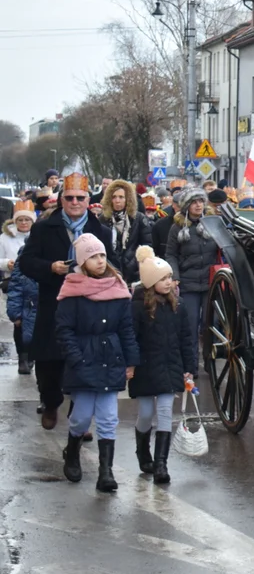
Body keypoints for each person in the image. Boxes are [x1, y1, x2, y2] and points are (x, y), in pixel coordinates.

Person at [18, 173, 118, 430]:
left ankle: (79, 417)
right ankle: (51, 403)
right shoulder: (44, 227)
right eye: (70, 197)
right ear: (61, 200)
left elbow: (113, 265)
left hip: (89, 305)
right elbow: (26, 262)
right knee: (49, 361)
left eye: (80, 198)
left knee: (85, 360)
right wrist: (50, 267)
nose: (75, 202)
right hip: (54, 302)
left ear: (88, 200)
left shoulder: (100, 230)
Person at [55, 234, 138, 491]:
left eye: (102, 255)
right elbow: (64, 330)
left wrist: (131, 361)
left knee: (108, 417)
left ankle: (106, 472)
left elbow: (127, 329)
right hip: (84, 359)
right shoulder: (72, 292)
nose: (100, 261)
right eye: (93, 257)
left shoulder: (118, 288)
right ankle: (72, 451)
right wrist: (76, 358)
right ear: (82, 261)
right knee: (80, 417)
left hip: (110, 358)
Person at [129, 246, 195, 484]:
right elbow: (131, 337)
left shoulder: (178, 305)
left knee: (166, 412)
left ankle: (161, 464)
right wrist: (130, 364)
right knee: (146, 413)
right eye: (163, 279)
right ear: (149, 282)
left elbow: (186, 338)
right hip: (146, 368)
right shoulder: (137, 306)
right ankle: (143, 450)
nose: (169, 282)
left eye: (169, 277)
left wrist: (190, 367)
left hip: (170, 366)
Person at [164, 187, 219, 362]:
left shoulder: (213, 223)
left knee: (209, 323)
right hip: (188, 283)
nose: (198, 205)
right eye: (194, 202)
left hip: (211, 281)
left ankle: (209, 359)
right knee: (190, 323)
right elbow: (171, 254)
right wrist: (175, 276)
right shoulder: (177, 227)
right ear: (187, 205)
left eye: (201, 201)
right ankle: (191, 364)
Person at [1, 203, 34, 373]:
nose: (23, 223)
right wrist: (8, 264)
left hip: (34, 285)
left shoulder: (38, 236)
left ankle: (32, 355)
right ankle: (23, 356)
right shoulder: (5, 238)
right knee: (20, 321)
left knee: (34, 321)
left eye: (27, 219)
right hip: (14, 282)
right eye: (20, 219)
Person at [100, 179, 153, 284]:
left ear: (128, 199)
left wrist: (134, 264)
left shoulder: (139, 218)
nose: (117, 200)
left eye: (121, 197)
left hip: (134, 273)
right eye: (114, 197)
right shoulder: (103, 219)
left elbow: (147, 246)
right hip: (109, 272)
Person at [5, 251, 37, 376]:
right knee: (21, 330)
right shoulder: (26, 253)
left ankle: (33, 357)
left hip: (43, 304)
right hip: (27, 304)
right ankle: (23, 357)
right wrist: (15, 313)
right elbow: (16, 285)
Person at [152, 184, 184, 257]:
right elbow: (154, 249)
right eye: (179, 206)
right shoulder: (160, 225)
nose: (182, 209)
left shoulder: (196, 223)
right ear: (173, 205)